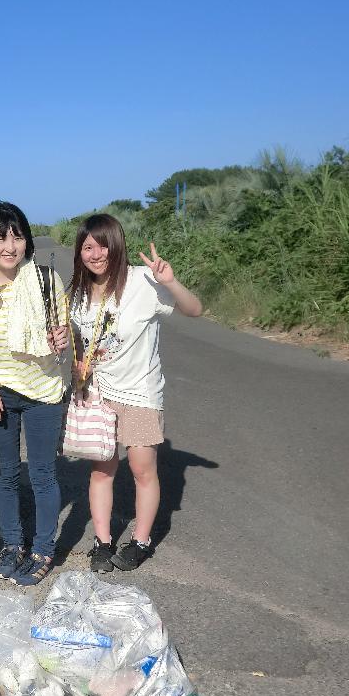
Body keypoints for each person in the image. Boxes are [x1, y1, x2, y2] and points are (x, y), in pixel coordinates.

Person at [68, 214, 202, 573]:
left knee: (143, 469)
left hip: (140, 393)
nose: (96, 254)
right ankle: (102, 542)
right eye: (88, 247)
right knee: (102, 469)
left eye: (103, 246)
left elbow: (194, 310)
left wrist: (171, 282)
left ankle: (140, 542)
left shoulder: (143, 281)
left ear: (117, 245)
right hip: (98, 393)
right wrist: (78, 366)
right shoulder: (78, 294)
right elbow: (80, 342)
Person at [0, 201, 70, 587]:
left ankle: (43, 549)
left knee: (43, 475)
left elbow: (61, 330)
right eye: (0, 237)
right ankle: (13, 545)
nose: (10, 246)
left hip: (43, 390)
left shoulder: (46, 279)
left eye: (17, 236)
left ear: (27, 241)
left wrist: (61, 338)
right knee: (7, 475)